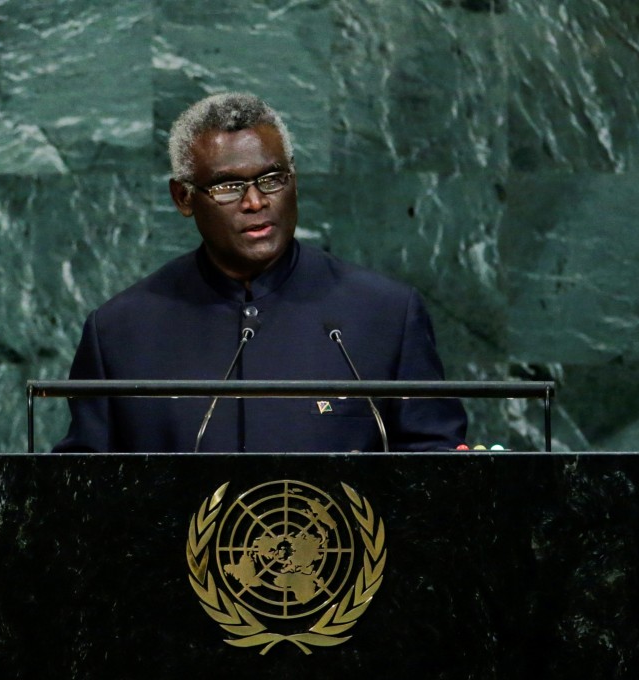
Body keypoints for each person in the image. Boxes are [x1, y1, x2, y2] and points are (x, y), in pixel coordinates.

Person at [53, 92, 466, 453]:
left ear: (294, 181)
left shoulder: (386, 314)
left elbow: (435, 467)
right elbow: (81, 488)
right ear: (183, 197)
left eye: (272, 179)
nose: (255, 202)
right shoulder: (120, 332)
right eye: (228, 186)